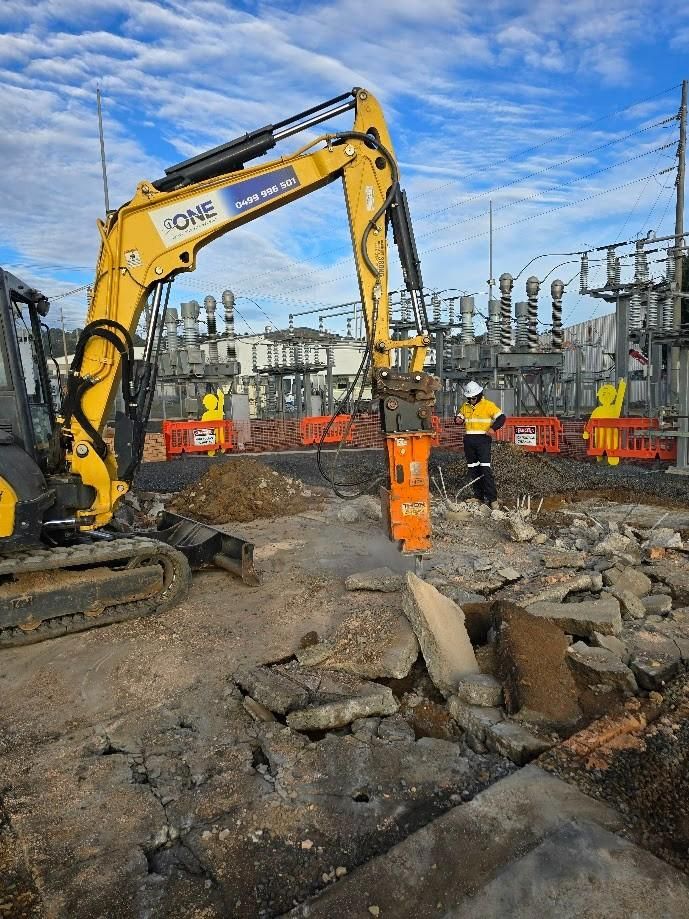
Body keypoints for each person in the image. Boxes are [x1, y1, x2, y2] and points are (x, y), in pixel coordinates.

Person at [454, 381, 505, 509]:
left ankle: (492, 499)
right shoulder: (465, 406)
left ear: (479, 395)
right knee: (473, 469)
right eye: (469, 398)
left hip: (483, 441)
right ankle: (479, 497)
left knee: (485, 470)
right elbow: (458, 418)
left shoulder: (488, 405)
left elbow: (502, 418)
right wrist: (458, 420)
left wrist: (493, 428)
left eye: (473, 398)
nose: (471, 400)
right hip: (469, 441)